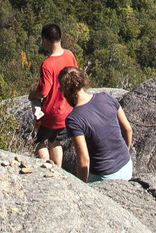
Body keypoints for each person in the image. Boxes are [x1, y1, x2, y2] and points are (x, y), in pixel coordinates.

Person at [60, 67, 135, 182]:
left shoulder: (74, 119)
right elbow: (128, 129)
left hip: (104, 176)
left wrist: (81, 188)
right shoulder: (106, 97)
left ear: (65, 90)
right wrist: (124, 154)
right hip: (126, 166)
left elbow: (84, 160)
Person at [31, 23, 80, 166]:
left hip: (50, 114)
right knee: (55, 140)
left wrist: (33, 94)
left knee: (38, 141)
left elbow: (43, 92)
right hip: (67, 111)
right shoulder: (69, 55)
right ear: (60, 36)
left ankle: (45, 168)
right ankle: (57, 170)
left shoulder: (47, 64)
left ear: (45, 40)